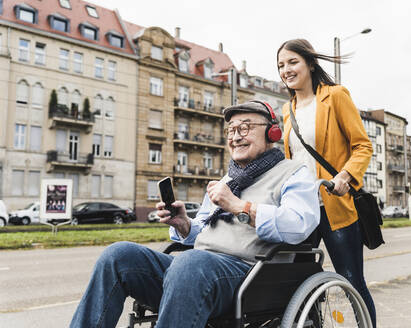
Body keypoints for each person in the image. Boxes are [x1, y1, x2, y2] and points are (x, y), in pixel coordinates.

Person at [69, 101, 320, 328]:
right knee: (118, 255)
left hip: (250, 277)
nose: (235, 136)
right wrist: (184, 225)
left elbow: (299, 225)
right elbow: (206, 231)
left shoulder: (294, 173)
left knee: (191, 263)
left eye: (244, 128)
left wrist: (239, 206)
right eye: (231, 130)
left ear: (271, 133)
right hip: (194, 272)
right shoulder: (227, 180)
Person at [277, 39, 377, 327]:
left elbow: (362, 146)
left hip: (335, 206)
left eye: (292, 62)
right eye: (281, 65)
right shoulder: (288, 110)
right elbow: (291, 160)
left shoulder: (335, 96)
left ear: (310, 63)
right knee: (298, 284)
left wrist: (345, 176)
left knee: (351, 279)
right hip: (300, 210)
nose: (286, 70)